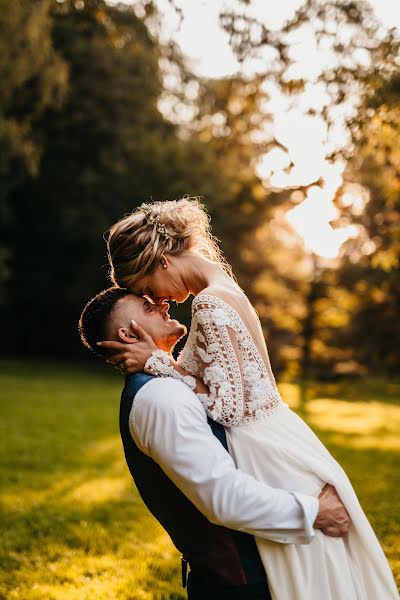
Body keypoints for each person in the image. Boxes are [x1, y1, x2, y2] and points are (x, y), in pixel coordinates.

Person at [101, 197, 399, 600]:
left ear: (162, 262)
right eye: (146, 297)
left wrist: (159, 362)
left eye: (146, 287)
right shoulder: (223, 288)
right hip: (280, 435)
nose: (160, 300)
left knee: (302, 581)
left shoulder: (208, 303)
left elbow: (229, 409)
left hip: (264, 453)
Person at [79, 287, 351, 600]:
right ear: (129, 334)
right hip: (244, 586)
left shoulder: (169, 383)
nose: (162, 304)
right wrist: (317, 512)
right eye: (146, 306)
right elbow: (223, 497)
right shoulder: (160, 399)